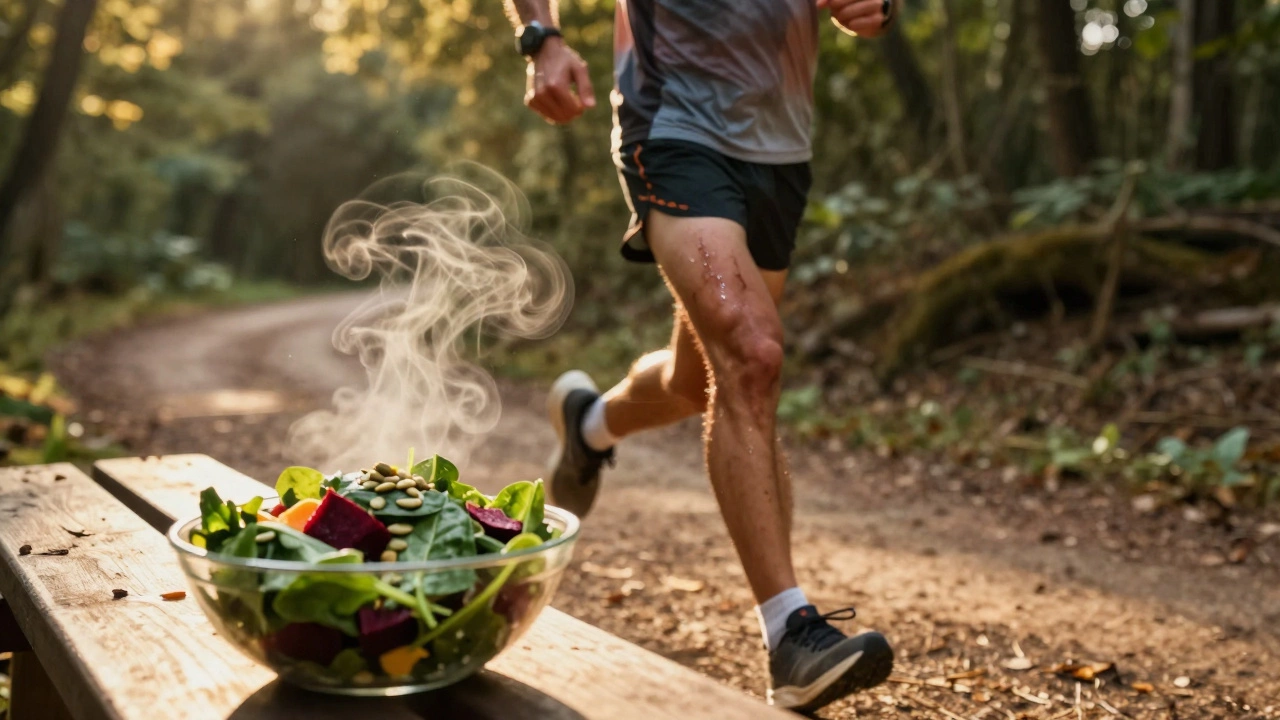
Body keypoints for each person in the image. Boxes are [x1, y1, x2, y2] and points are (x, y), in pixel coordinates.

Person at [502, 0, 897, 711]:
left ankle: (591, 425)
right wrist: (541, 39)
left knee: (696, 380)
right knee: (752, 354)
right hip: (673, 124)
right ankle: (790, 634)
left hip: (781, 142)